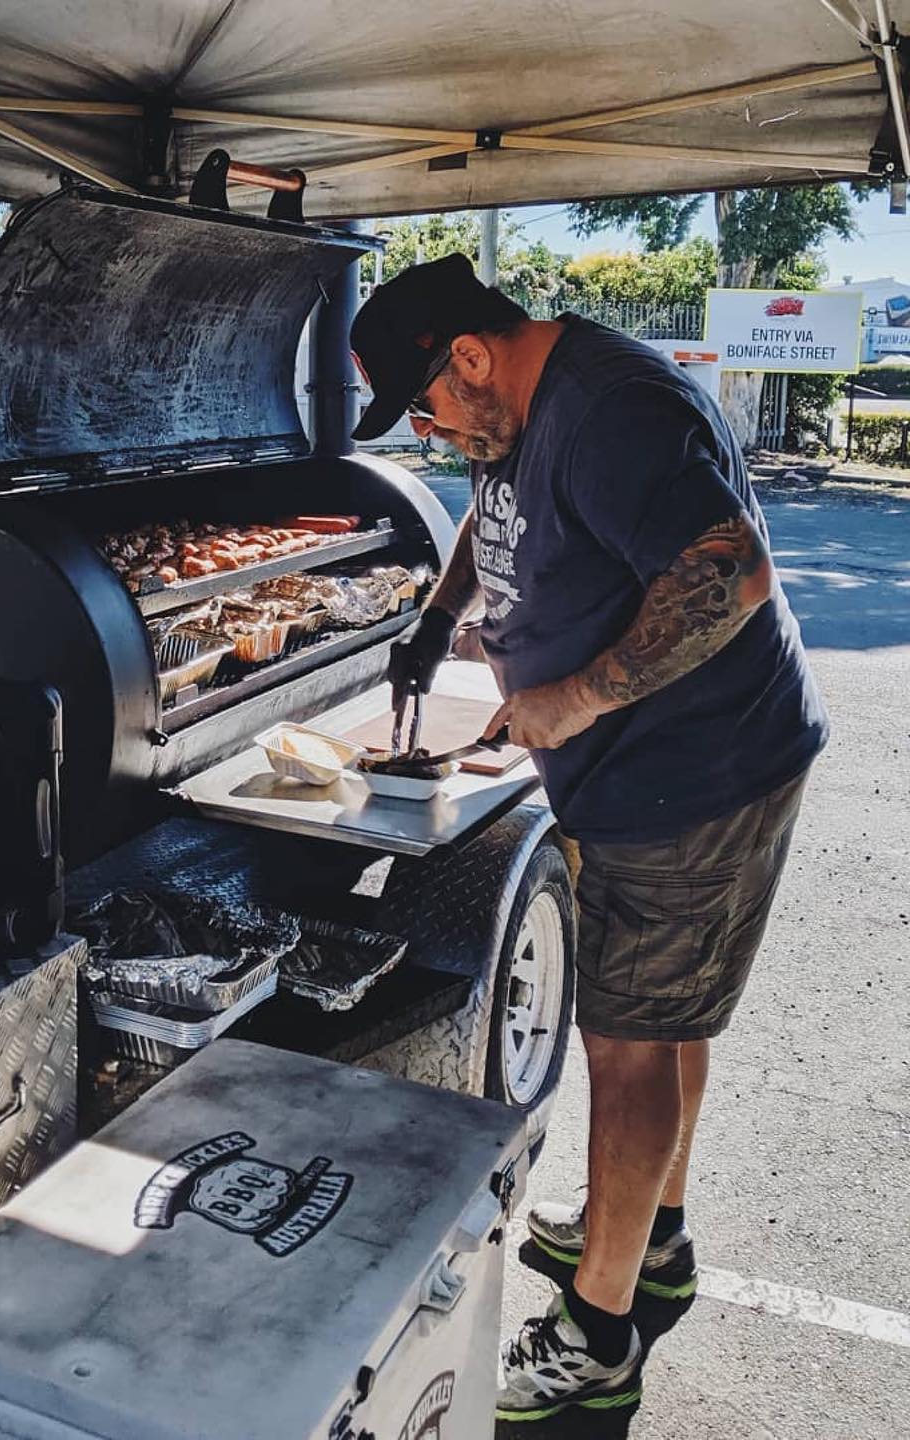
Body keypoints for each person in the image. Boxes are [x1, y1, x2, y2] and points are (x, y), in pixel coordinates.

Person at [350, 253, 828, 1424]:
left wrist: (575, 699)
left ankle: (598, 1336)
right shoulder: (517, 414)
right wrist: (436, 621)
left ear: (470, 356)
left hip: (694, 779)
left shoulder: (613, 408)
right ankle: (650, 1235)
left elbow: (732, 570)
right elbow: (495, 510)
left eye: (429, 408)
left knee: (626, 1048)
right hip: (643, 777)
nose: (435, 434)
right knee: (665, 1024)